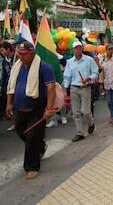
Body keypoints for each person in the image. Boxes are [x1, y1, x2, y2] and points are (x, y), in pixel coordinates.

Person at [6, 41, 56, 179]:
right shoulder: (18, 66)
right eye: (19, 54)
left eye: (23, 54)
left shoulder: (44, 67)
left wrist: (49, 109)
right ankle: (40, 146)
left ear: (32, 53)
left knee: (32, 138)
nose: (20, 56)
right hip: (21, 109)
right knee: (20, 131)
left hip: (37, 109)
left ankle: (32, 166)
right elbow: (12, 85)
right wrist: (9, 103)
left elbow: (51, 88)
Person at [64, 40, 98, 141]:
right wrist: (66, 90)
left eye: (79, 47)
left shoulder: (89, 60)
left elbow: (95, 73)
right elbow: (67, 76)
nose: (77, 49)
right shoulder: (69, 62)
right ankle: (79, 133)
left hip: (85, 88)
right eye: (76, 48)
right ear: (73, 49)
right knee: (76, 112)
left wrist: (89, 78)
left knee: (85, 111)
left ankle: (91, 122)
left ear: (82, 48)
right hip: (74, 88)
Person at [0, 41, 14, 120]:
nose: (1, 52)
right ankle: (7, 113)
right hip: (8, 82)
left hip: (16, 82)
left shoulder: (16, 57)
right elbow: (4, 74)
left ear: (8, 49)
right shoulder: (4, 60)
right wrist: (2, 84)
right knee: (4, 96)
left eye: (2, 50)